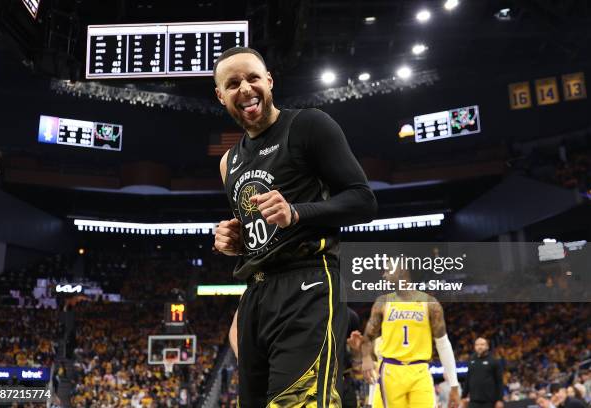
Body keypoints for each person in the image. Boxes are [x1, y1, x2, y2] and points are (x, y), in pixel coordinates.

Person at [213, 46, 377, 407]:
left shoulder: (308, 125)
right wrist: (235, 240)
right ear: (220, 95)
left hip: (309, 284)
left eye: (253, 78)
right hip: (256, 293)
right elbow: (263, 232)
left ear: (269, 81)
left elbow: (363, 200)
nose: (245, 88)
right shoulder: (229, 162)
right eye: (233, 82)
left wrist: (297, 212)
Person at [358, 267, 460, 408]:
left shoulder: (430, 303)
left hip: (419, 370)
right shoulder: (382, 302)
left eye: (388, 270)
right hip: (391, 370)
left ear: (400, 272)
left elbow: (443, 343)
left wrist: (454, 385)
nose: (383, 275)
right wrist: (366, 358)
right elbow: (368, 337)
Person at [461, 337, 503, 408]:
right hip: (473, 401)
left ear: (487, 346)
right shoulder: (471, 360)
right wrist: (463, 396)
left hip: (489, 402)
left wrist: (499, 400)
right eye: (477, 345)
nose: (479, 347)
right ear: (474, 347)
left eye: (482, 344)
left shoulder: (494, 361)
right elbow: (468, 379)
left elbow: (499, 382)